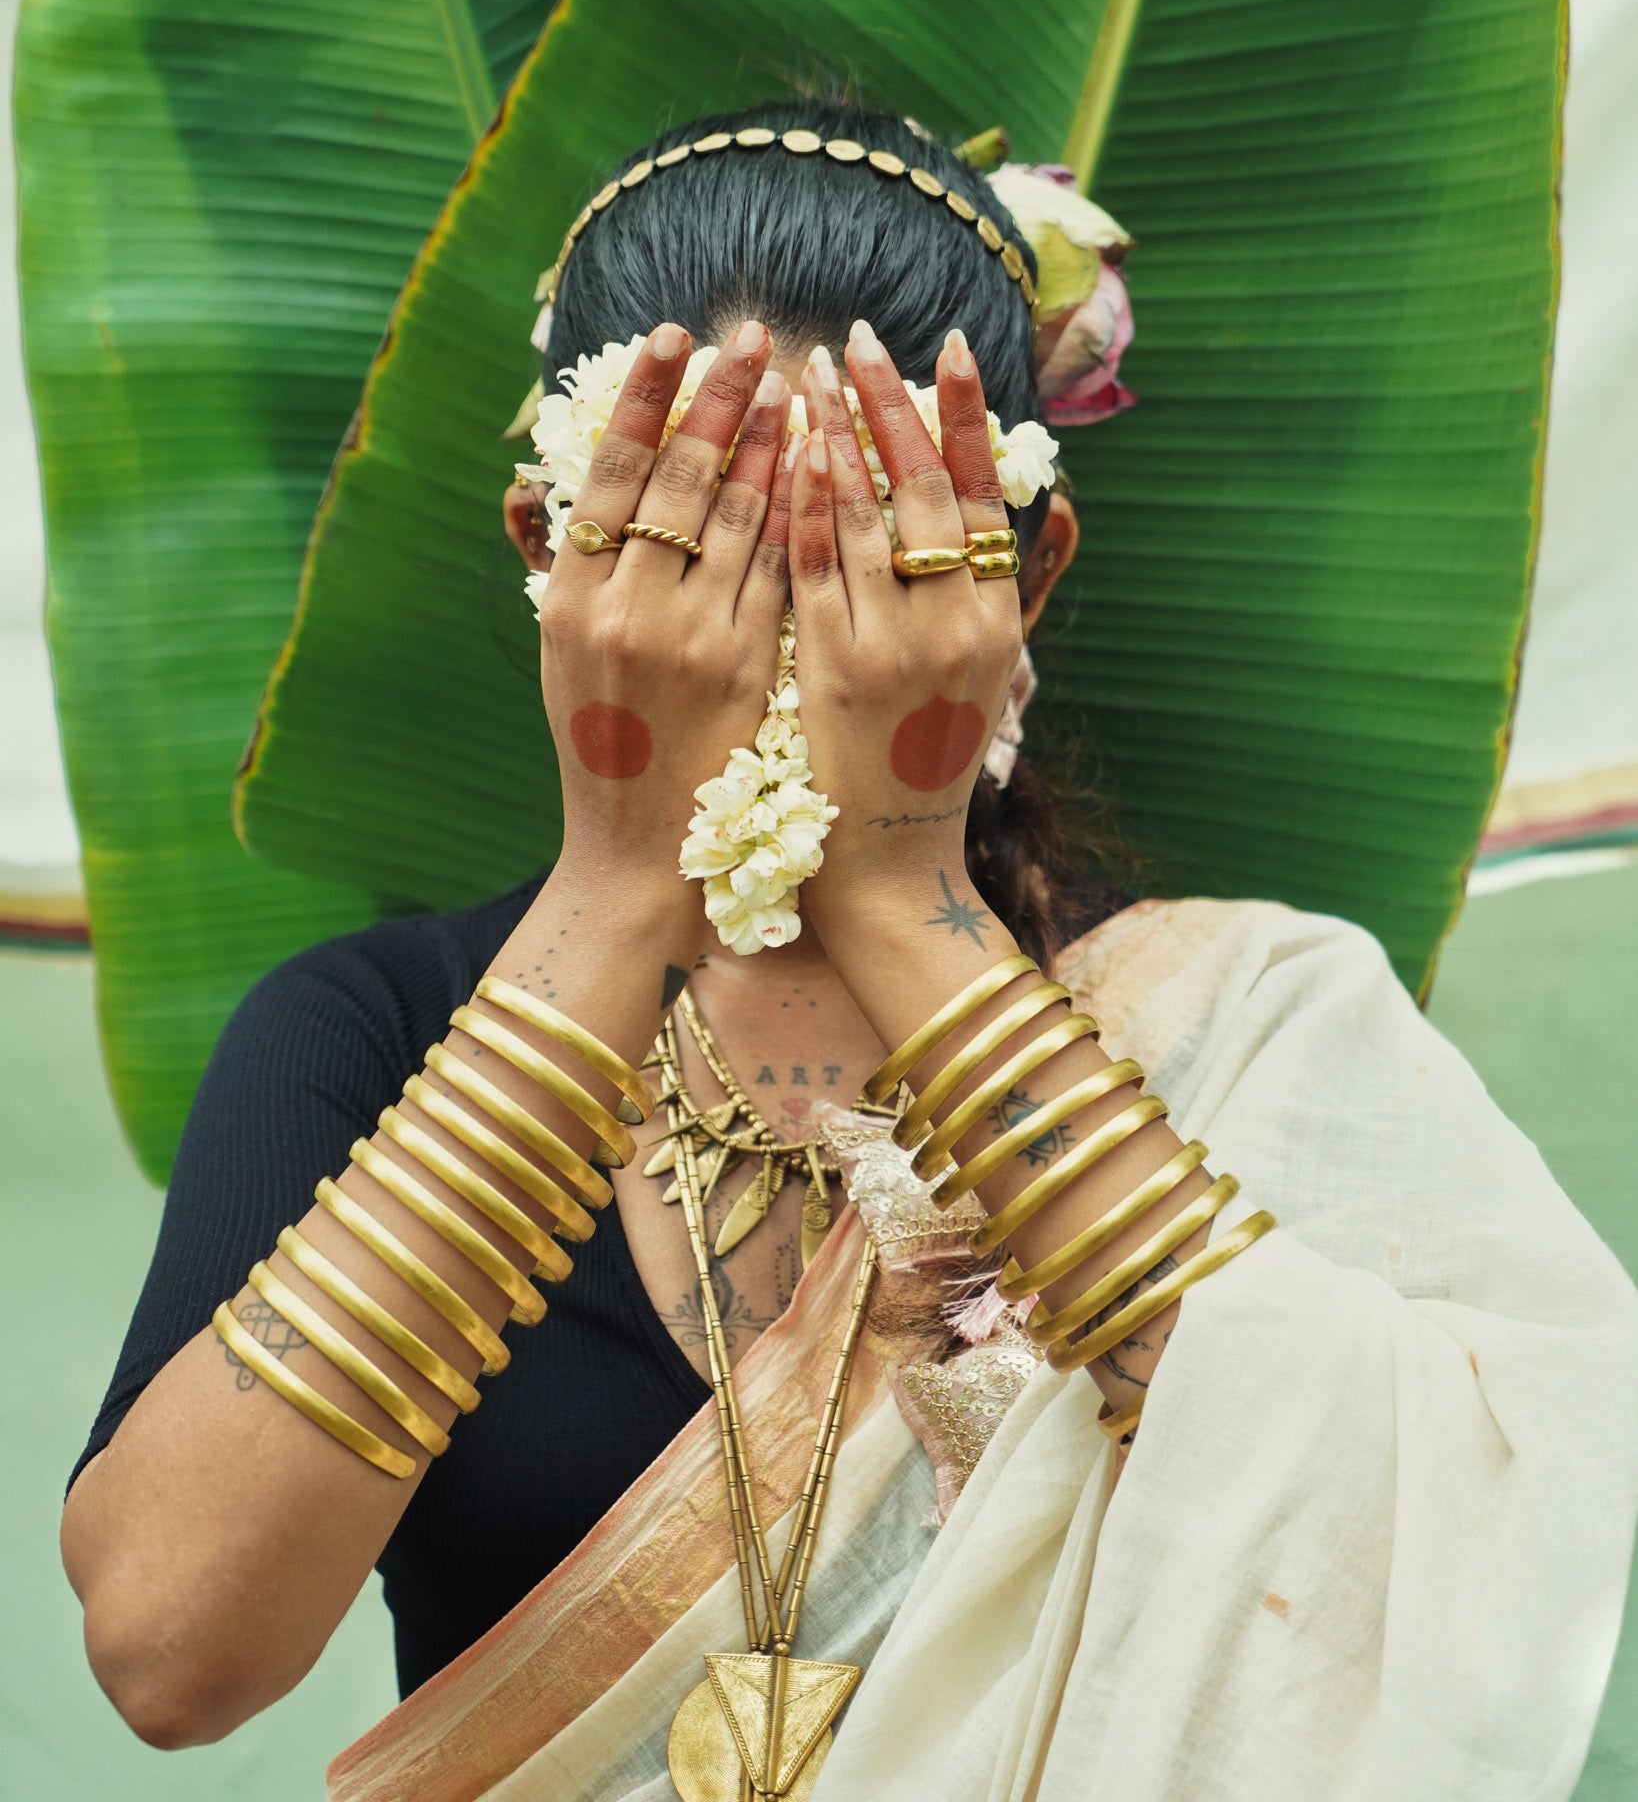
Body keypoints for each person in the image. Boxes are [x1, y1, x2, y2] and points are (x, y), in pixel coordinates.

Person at [62, 102, 1638, 1802]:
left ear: (1022, 573)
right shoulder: (367, 1030)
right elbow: (171, 1653)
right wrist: (619, 881)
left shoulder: (1254, 1024)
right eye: (696, 545)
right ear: (553, 560)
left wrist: (898, 894)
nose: (786, 617)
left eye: (869, 549)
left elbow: (1395, 1566)